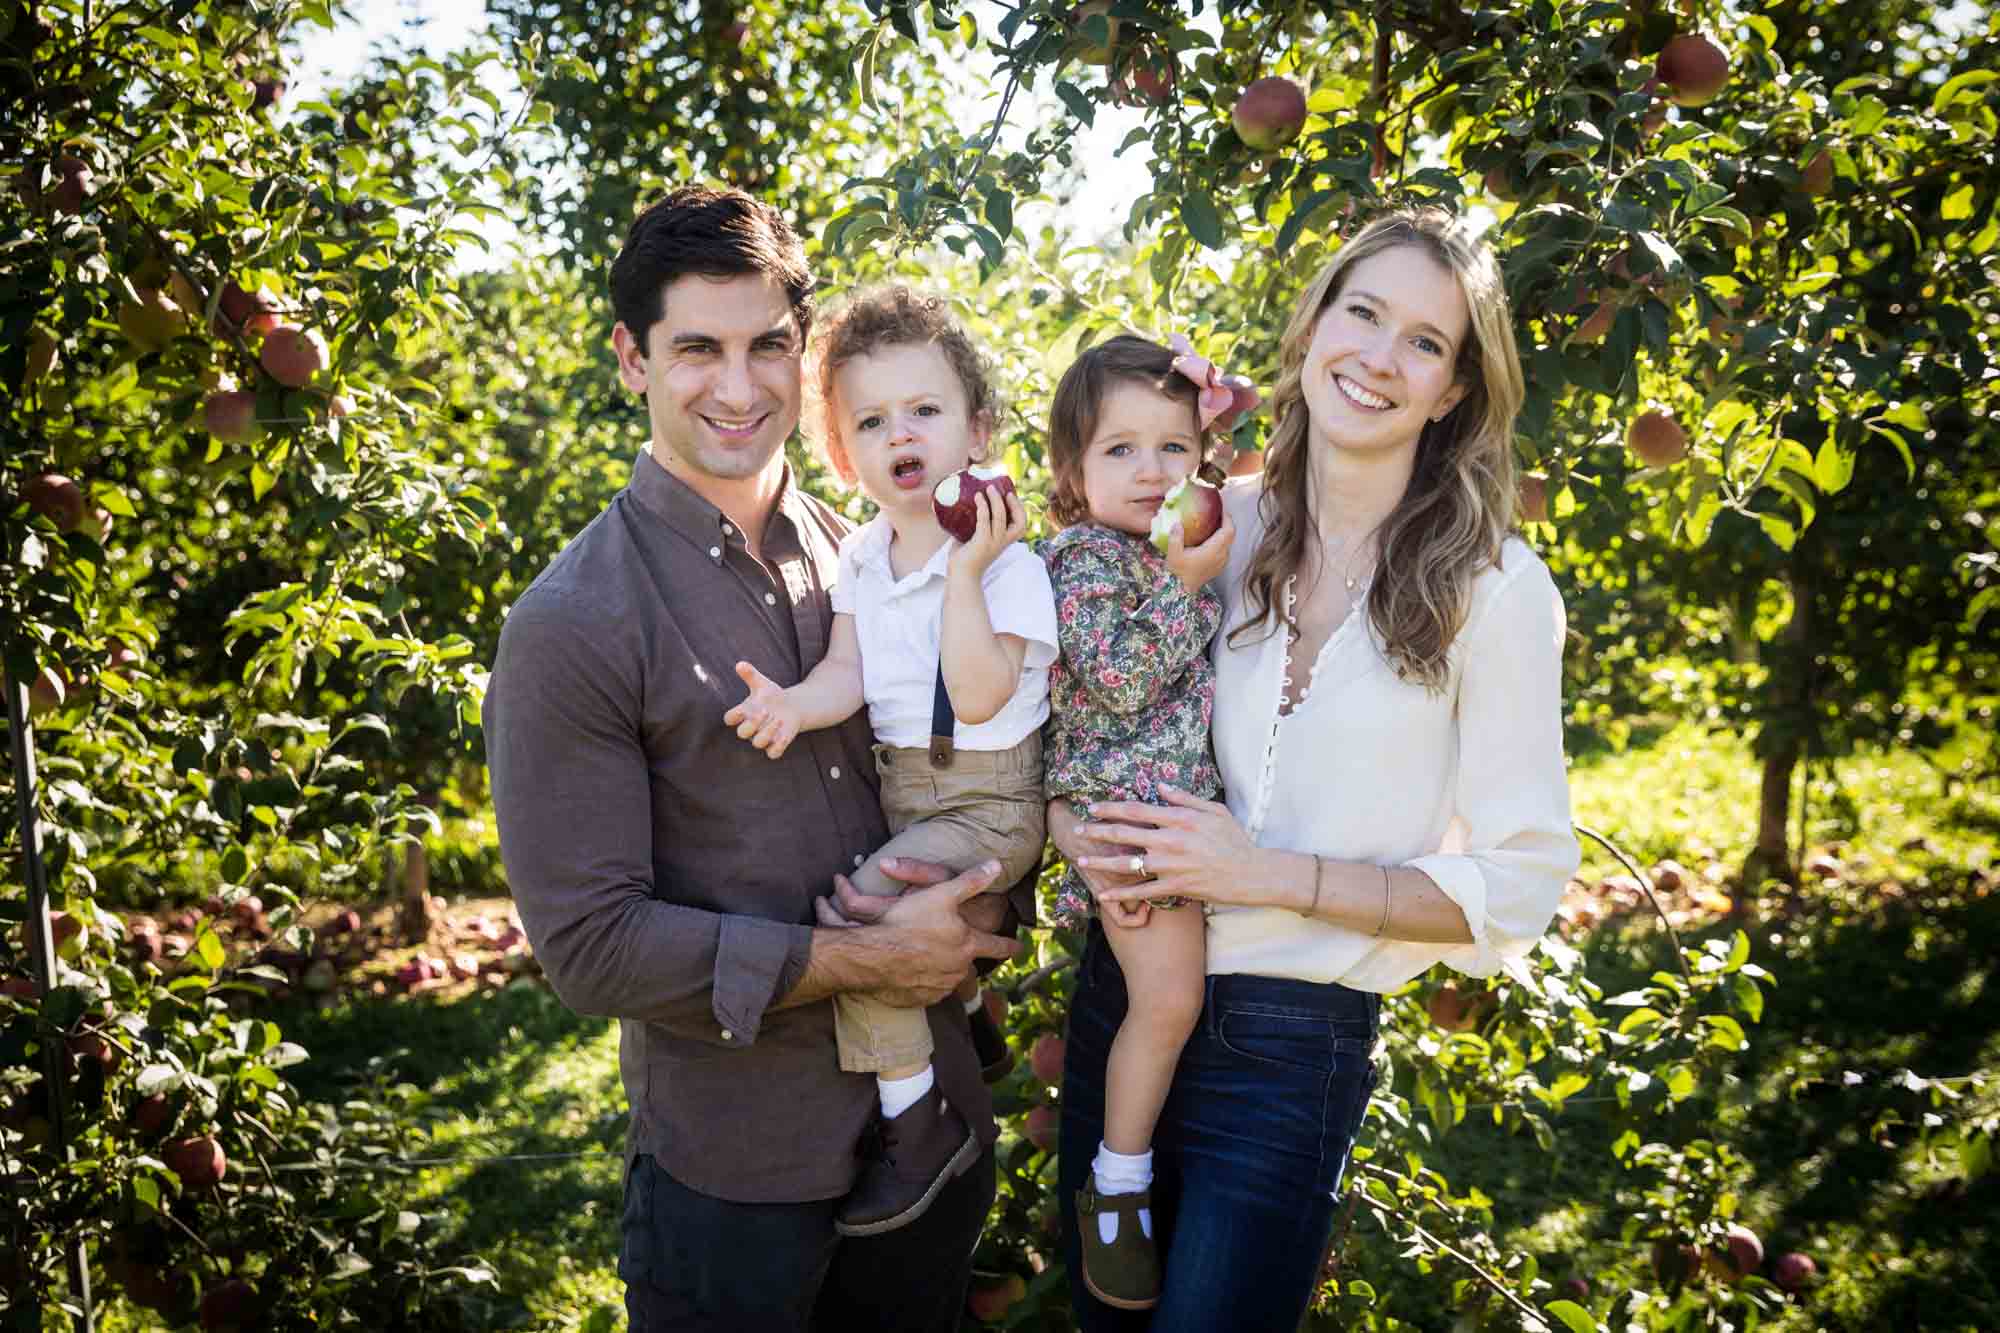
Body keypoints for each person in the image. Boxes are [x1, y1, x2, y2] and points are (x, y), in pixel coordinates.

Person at [482, 185, 1027, 1333]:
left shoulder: (882, 552)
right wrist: (861, 959)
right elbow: (589, 947)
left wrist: (981, 918)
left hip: (934, 1134)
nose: (737, 388)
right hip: (741, 1175)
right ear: (631, 358)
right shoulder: (573, 622)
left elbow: (991, 751)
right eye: (696, 349)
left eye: (766, 347)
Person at [1048, 206, 1582, 1330]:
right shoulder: (1208, 523)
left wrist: (1268, 873)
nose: (1380, 359)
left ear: (1451, 391)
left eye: (1425, 343)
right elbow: (1074, 690)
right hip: (1126, 988)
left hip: (1288, 1048)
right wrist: (1068, 833)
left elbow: (1520, 881)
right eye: (1363, 312)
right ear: (1312, 327)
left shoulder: (1492, 591)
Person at [722, 286, 1056, 1237]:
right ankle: (968, 1012)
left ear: (976, 428)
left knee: (863, 930)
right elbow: (848, 671)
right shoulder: (862, 556)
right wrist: (793, 704)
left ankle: (919, 1127)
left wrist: (961, 574)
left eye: (924, 410)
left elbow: (985, 691)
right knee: (868, 909)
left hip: (990, 799)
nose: (900, 434)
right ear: (841, 454)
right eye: (871, 420)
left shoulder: (1007, 565)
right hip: (909, 792)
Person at [1035, 334, 1242, 1310]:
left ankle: (1125, 1173)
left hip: (1155, 814)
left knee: (1163, 1008)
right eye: (1119, 450)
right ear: (1071, 474)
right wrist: (1187, 583)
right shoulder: (1079, 558)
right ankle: (1114, 1191)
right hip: (1130, 822)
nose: (1152, 469)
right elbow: (1115, 677)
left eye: (1172, 447)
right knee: (1165, 1007)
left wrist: (1225, 417)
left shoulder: (1152, 543)